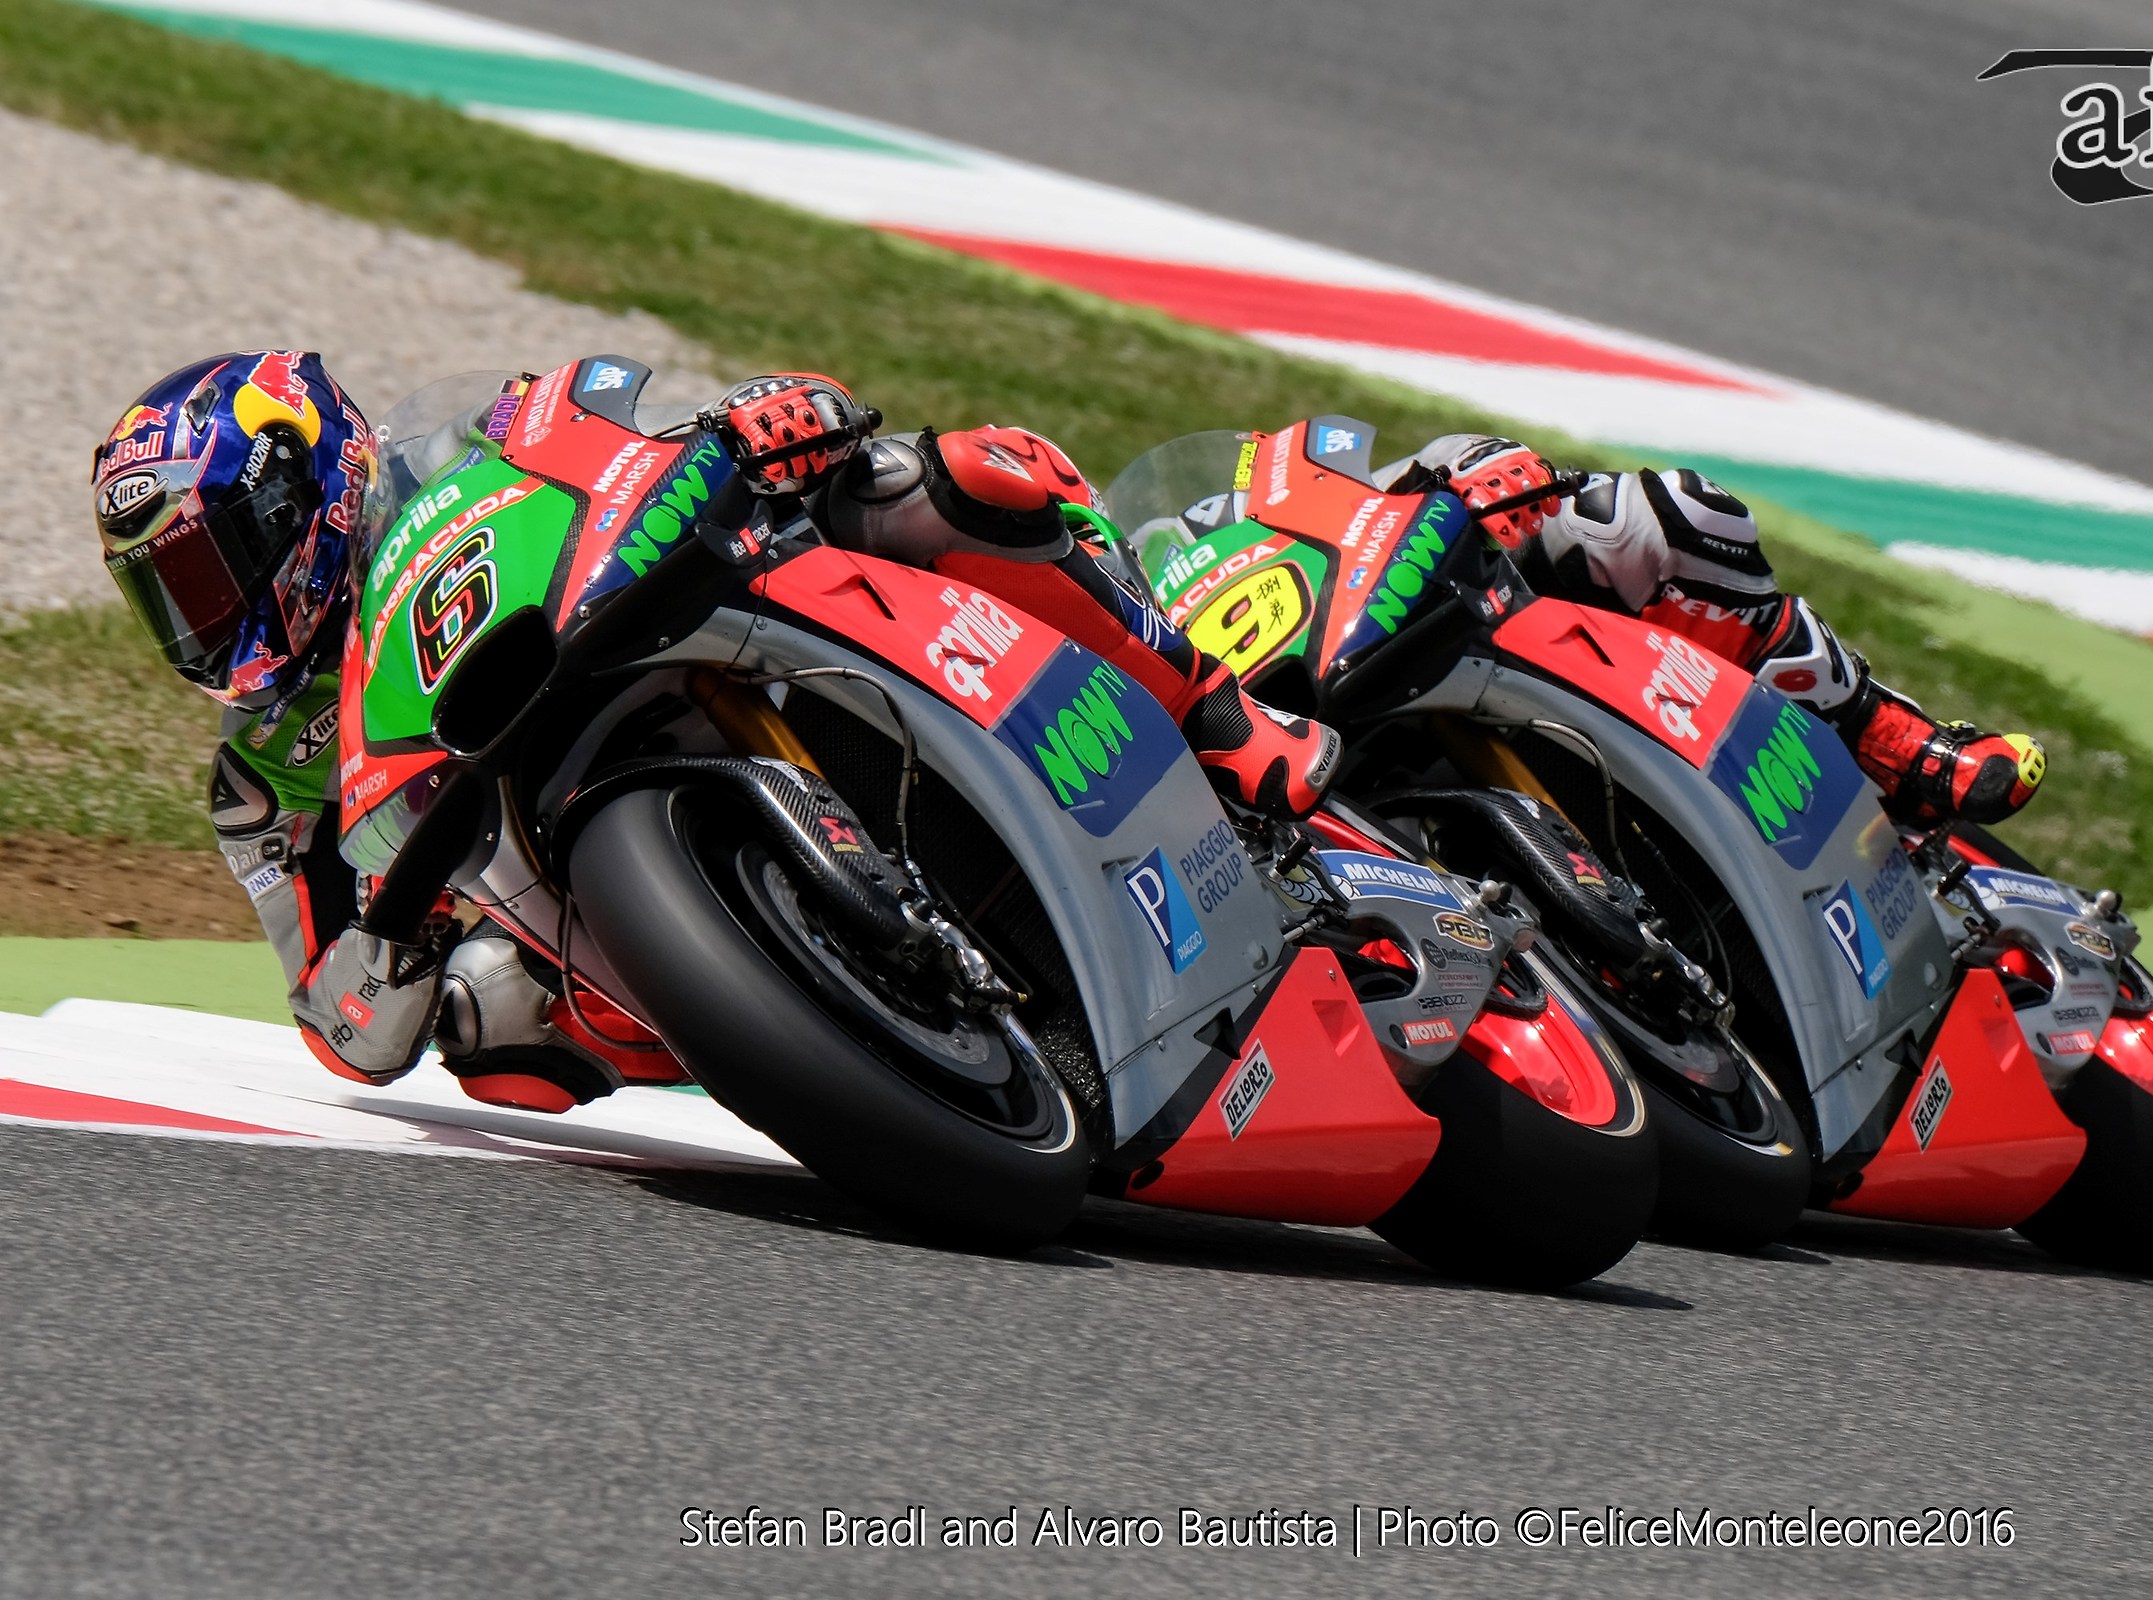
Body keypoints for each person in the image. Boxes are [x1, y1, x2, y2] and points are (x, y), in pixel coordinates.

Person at [91, 352, 1338, 1112]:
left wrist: (755, 422)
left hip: (663, 620)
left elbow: (621, 429)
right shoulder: (259, 784)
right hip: (545, 891)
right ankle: (824, 1036)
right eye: (171, 594)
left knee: (940, 479)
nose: (207, 616)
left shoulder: (473, 459)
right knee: (493, 1033)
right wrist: (389, 955)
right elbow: (339, 1022)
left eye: (217, 567)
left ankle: (1217, 710)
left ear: (303, 495)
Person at [1388, 436, 2044, 825]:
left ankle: (1892, 743)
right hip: (1343, 757)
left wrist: (1469, 465)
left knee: (1654, 516)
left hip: (1461, 630)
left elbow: (1375, 484)